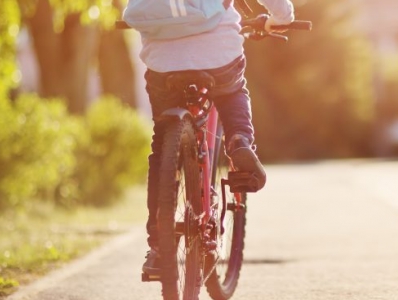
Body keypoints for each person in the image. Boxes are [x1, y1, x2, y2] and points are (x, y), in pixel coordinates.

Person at [123, 0, 295, 275]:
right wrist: (282, 16)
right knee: (233, 91)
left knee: (162, 142)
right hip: (218, 55)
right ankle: (239, 139)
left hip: (163, 61)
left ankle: (157, 249)